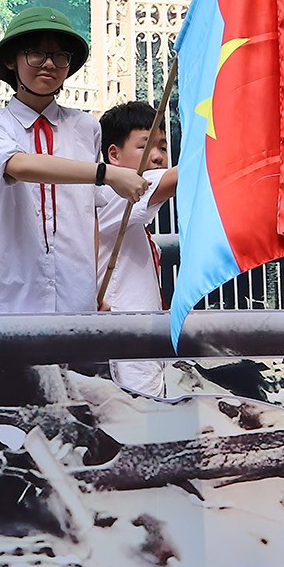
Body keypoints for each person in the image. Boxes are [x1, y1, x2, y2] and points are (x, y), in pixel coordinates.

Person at [0, 6, 146, 314]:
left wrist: (93, 287)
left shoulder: (86, 127)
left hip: (74, 295)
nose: (49, 64)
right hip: (5, 295)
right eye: (36, 54)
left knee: (71, 364)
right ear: (11, 61)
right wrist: (108, 173)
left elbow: (90, 214)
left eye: (60, 56)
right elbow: (19, 166)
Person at [96, 100, 178, 397]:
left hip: (140, 355)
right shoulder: (111, 194)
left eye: (163, 147)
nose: (157, 157)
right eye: (145, 147)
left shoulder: (129, 211)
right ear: (114, 155)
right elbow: (178, 178)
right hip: (125, 359)